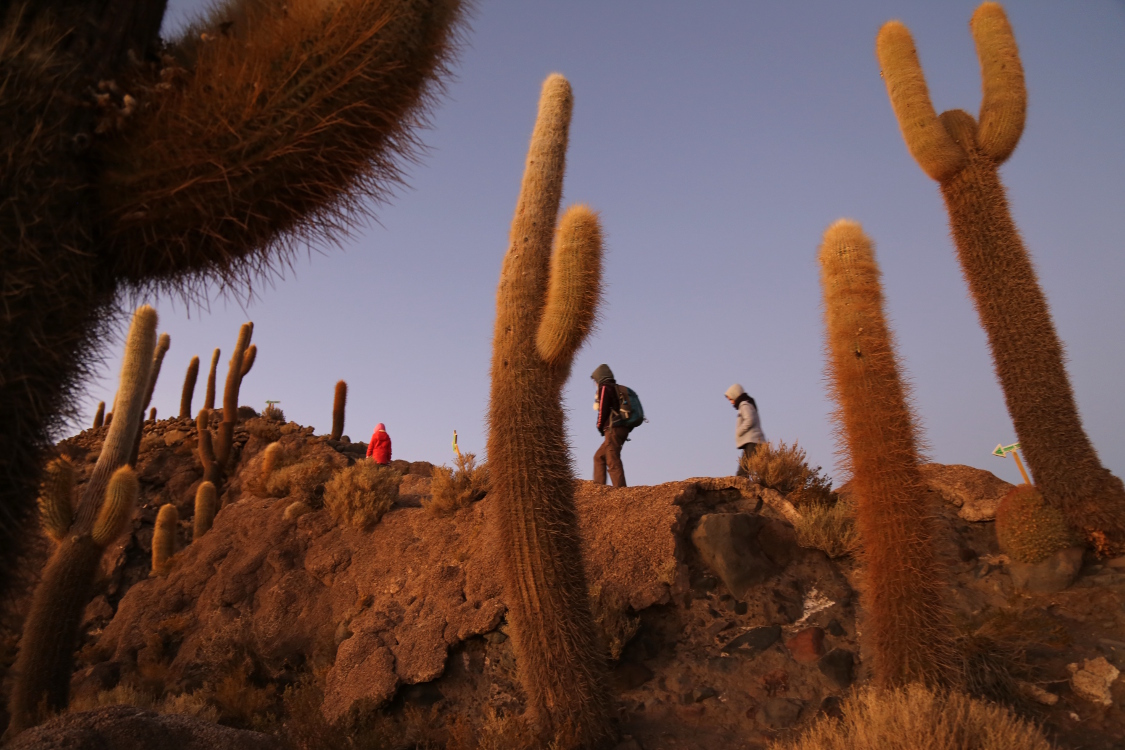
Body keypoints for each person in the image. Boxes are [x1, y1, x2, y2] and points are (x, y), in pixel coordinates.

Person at [592, 364, 628, 487]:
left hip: (613, 428)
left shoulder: (605, 388)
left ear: (600, 378)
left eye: (595, 381)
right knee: (599, 456)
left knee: (612, 459)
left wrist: (599, 426)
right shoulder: (614, 387)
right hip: (621, 428)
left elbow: (603, 410)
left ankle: (621, 491)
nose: (595, 384)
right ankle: (598, 488)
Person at [725, 384, 765, 477]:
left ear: (736, 395)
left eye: (731, 399)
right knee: (745, 469)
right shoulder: (746, 404)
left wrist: (740, 431)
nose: (731, 402)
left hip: (753, 441)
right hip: (752, 441)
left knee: (743, 471)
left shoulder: (744, 405)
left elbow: (750, 419)